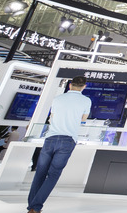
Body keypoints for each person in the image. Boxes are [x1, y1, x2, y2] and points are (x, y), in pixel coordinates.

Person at [27, 76, 91, 213]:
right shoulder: (86, 100)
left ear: (70, 85)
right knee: (53, 175)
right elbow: (83, 120)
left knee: (40, 173)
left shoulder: (58, 99)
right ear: (84, 86)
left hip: (50, 138)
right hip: (68, 140)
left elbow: (52, 116)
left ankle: (32, 207)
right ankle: (35, 207)